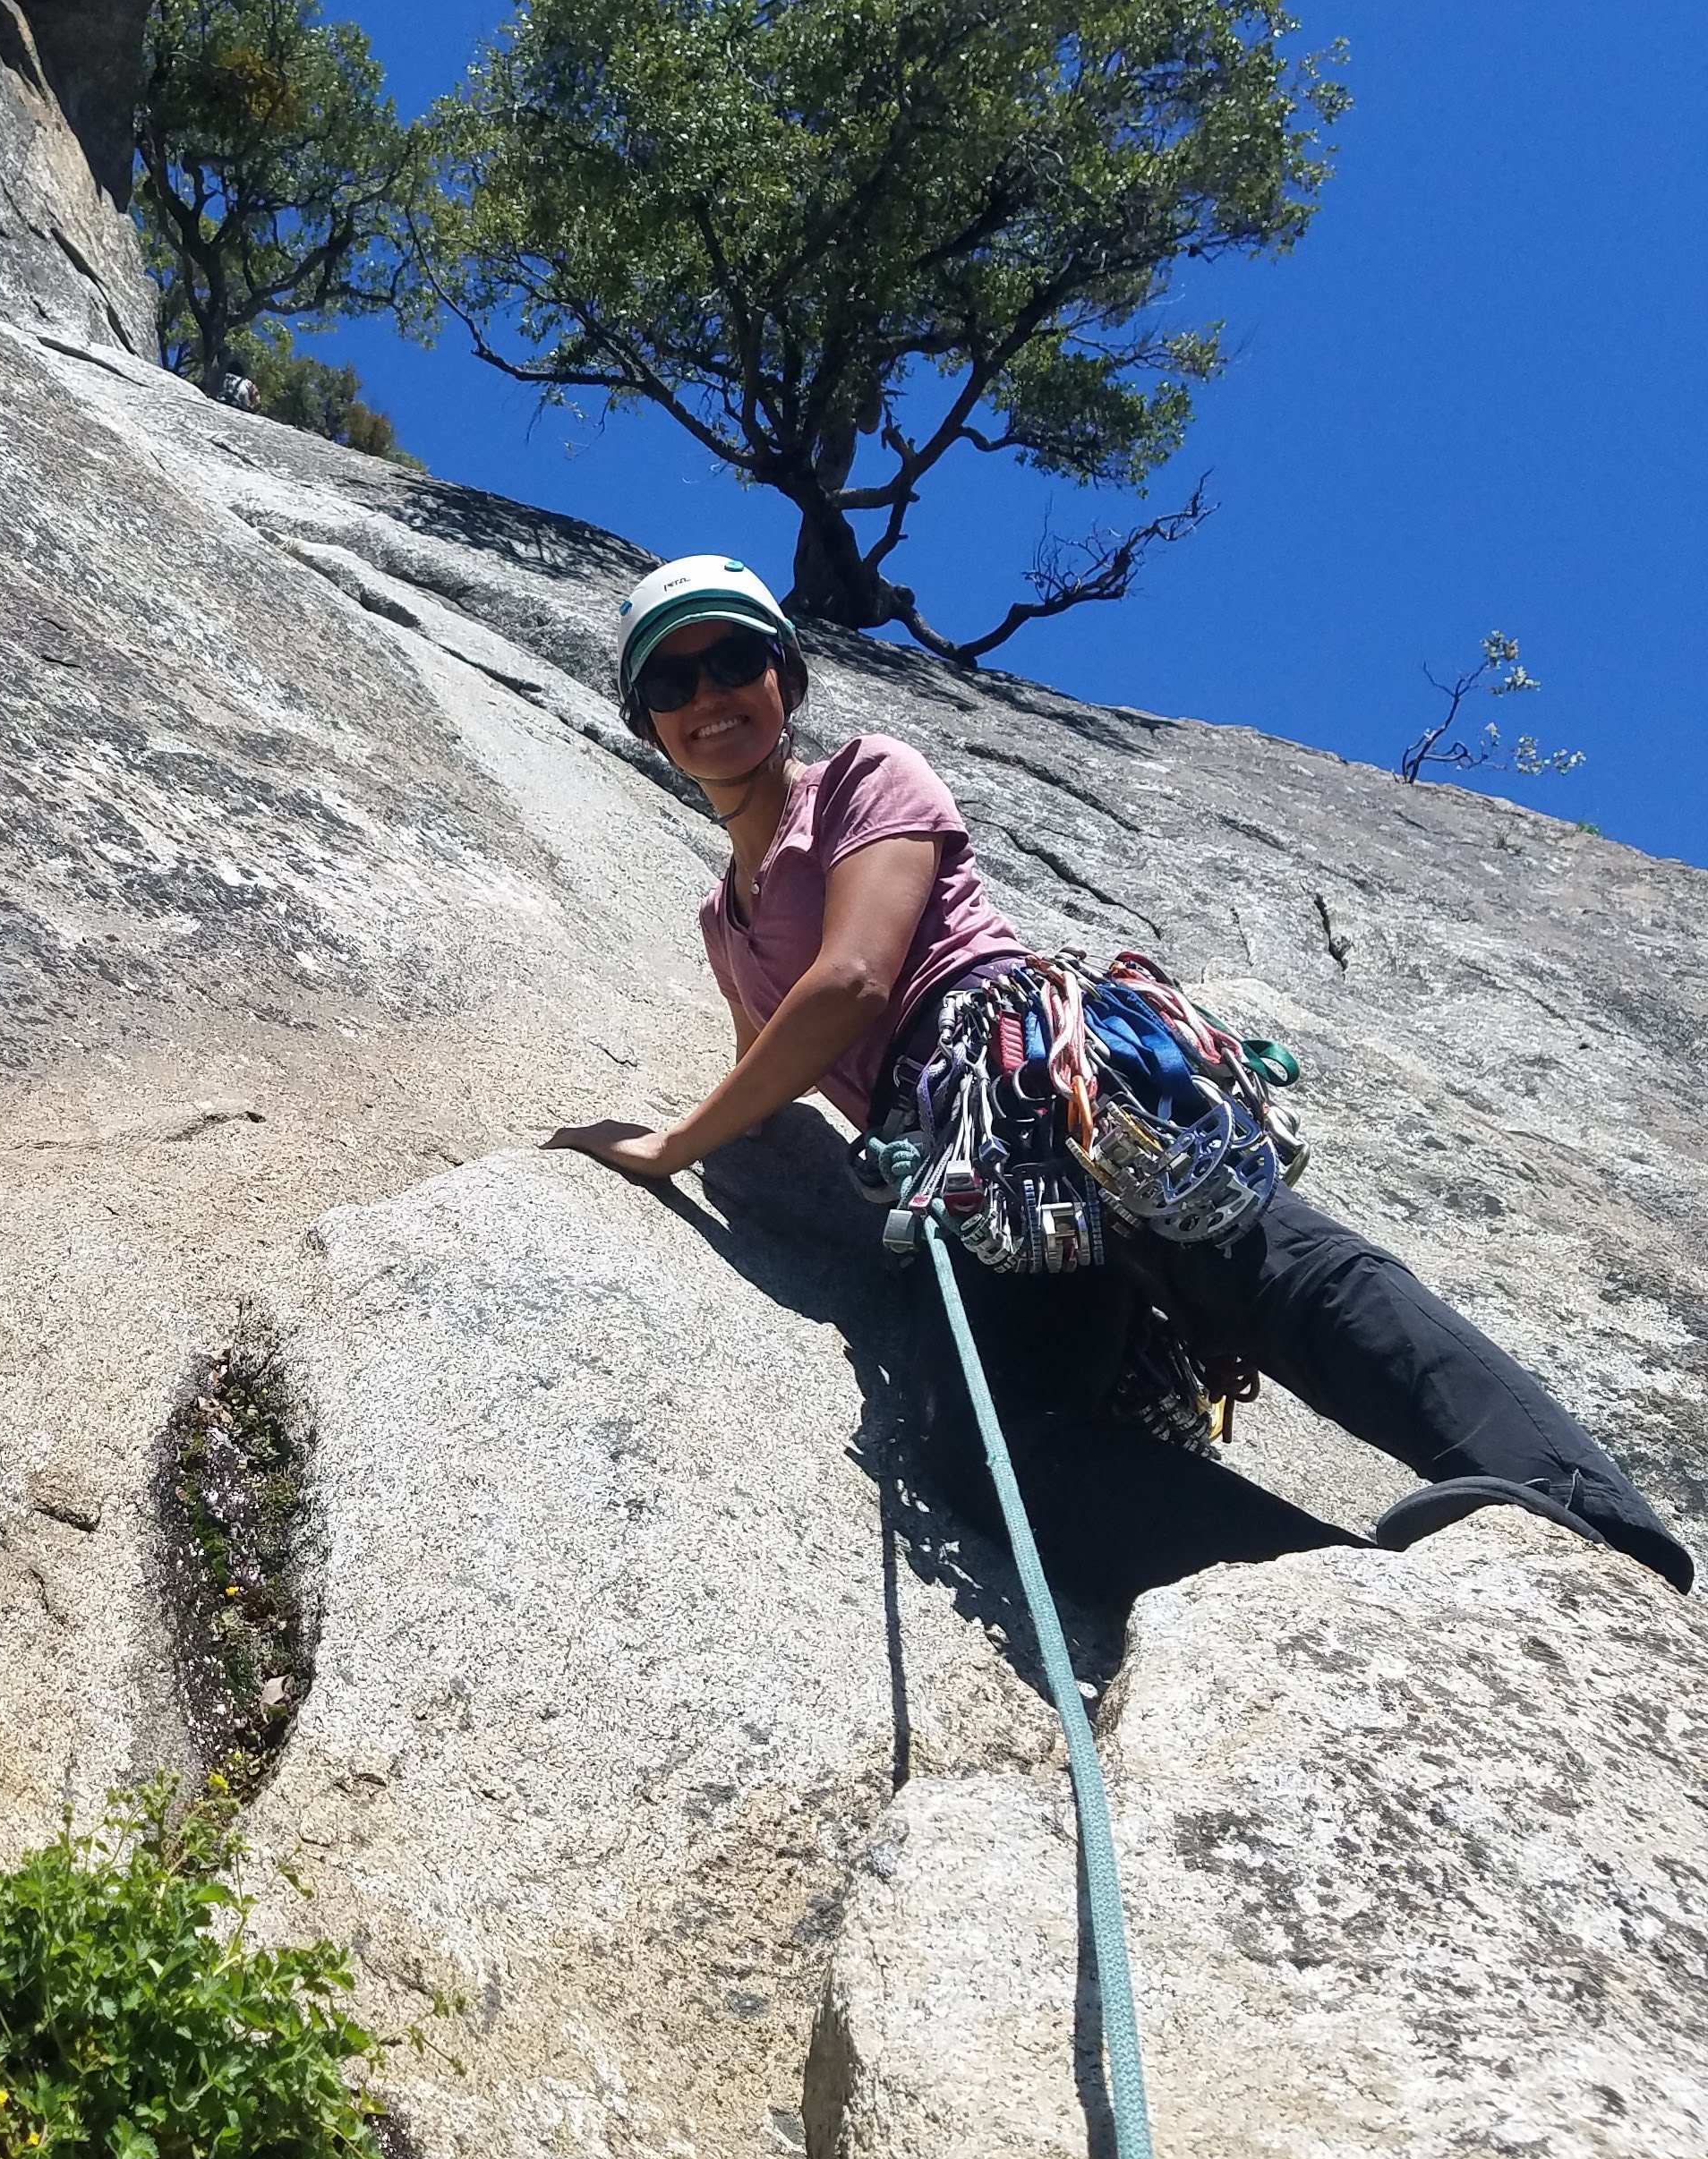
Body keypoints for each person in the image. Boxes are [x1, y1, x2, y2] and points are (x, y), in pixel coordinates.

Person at [549, 554, 1693, 1608]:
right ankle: (1332, 1598)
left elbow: (850, 985)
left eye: (735, 659)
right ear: (646, 721)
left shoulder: (864, 779)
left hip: (1031, 1067)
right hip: (950, 1169)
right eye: (673, 679)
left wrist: (668, 1148)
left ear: (785, 676)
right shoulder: (722, 919)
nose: (710, 695)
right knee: (988, 1449)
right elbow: (778, 1064)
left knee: (1257, 1265)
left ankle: (1589, 1521)